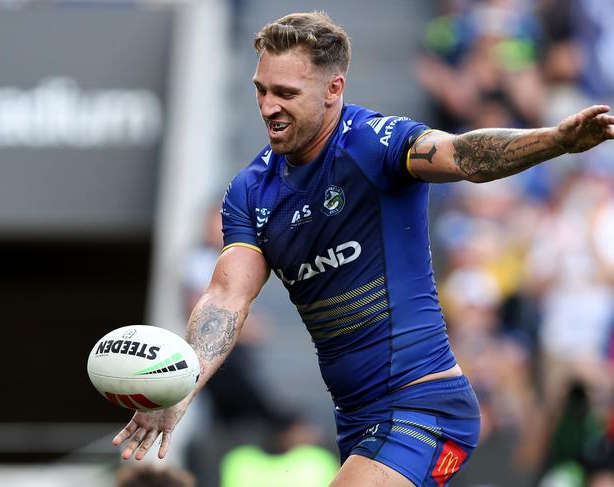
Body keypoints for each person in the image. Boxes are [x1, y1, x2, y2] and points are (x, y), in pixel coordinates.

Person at [112, 11, 614, 487]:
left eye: (286, 93)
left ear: (334, 89)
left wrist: (554, 140)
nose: (268, 107)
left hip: (424, 407)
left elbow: (462, 155)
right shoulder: (250, 191)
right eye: (261, 90)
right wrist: (179, 384)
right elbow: (226, 298)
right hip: (357, 422)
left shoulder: (375, 144)